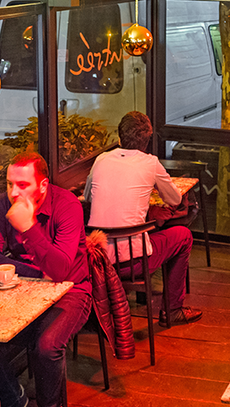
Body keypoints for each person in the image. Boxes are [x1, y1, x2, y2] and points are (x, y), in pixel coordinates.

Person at [0, 151, 92, 407]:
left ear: (42, 185)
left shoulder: (67, 205)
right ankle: (12, 398)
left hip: (72, 290)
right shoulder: (2, 204)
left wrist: (29, 228)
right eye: (9, 184)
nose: (14, 192)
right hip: (23, 286)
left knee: (47, 345)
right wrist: (33, 272)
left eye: (22, 185)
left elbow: (61, 270)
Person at [84, 111, 201, 325]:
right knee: (183, 236)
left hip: (96, 258)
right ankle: (172, 310)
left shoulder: (101, 160)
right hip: (133, 263)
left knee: (145, 227)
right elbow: (175, 199)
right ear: (147, 141)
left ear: (119, 136)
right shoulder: (150, 163)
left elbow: (88, 197)